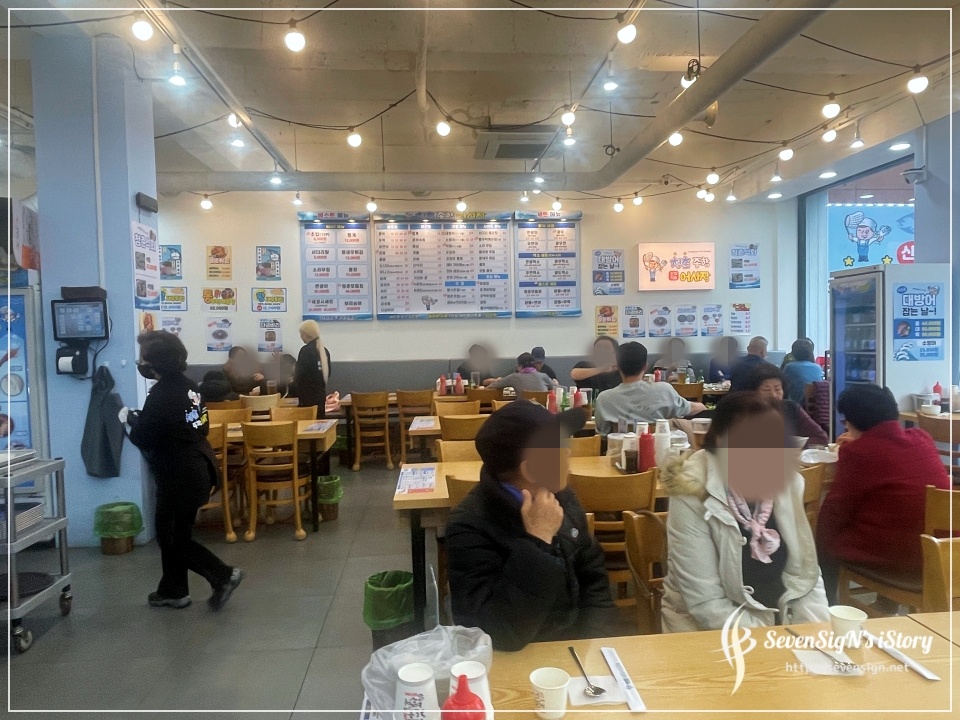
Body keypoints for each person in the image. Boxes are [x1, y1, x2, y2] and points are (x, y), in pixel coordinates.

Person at [446, 400, 631, 651]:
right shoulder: (469, 526)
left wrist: (596, 644)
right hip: (519, 659)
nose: (567, 452)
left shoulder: (561, 496)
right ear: (530, 470)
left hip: (578, 651)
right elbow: (498, 632)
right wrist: (537, 542)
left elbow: (595, 583)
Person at [659, 392, 829, 631]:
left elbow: (806, 575)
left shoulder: (788, 484)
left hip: (780, 624)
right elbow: (706, 604)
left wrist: (816, 633)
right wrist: (771, 640)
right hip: (709, 633)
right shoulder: (691, 493)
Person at [125, 331, 243, 610]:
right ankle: (173, 590)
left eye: (143, 359)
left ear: (156, 363)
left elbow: (143, 438)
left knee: (172, 538)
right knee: (176, 534)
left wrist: (129, 421)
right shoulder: (190, 387)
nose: (141, 364)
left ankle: (224, 575)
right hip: (197, 467)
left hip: (178, 474)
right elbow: (201, 426)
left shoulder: (161, 394)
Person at [816, 385, 950, 604]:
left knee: (827, 540)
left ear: (852, 422)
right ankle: (886, 605)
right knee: (891, 513)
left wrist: (816, 544)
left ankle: (826, 610)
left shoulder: (859, 452)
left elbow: (835, 511)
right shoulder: (922, 438)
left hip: (901, 558)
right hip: (943, 552)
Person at [594, 342, 706, 435]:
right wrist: (702, 405)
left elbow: (602, 433)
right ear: (645, 367)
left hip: (619, 452)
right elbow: (696, 408)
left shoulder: (604, 398)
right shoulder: (664, 390)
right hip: (659, 452)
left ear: (617, 367)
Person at [743, 364, 828, 447]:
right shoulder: (745, 411)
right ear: (753, 392)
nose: (773, 395)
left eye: (777, 389)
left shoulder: (791, 408)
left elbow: (821, 438)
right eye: (766, 390)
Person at [295, 320, 332, 412]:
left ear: (305, 334)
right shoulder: (324, 351)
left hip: (306, 399)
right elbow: (327, 373)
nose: (300, 336)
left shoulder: (305, 351)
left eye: (301, 334)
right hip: (320, 398)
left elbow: (300, 376)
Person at [780, 339, 824, 405]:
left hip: (796, 403)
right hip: (816, 404)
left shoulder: (789, 367)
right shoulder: (818, 367)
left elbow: (782, 383)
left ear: (793, 353)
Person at [489, 353, 555, 395]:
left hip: (522, 410)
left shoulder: (514, 377)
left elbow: (491, 387)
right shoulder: (544, 376)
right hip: (542, 411)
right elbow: (556, 388)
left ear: (520, 366)